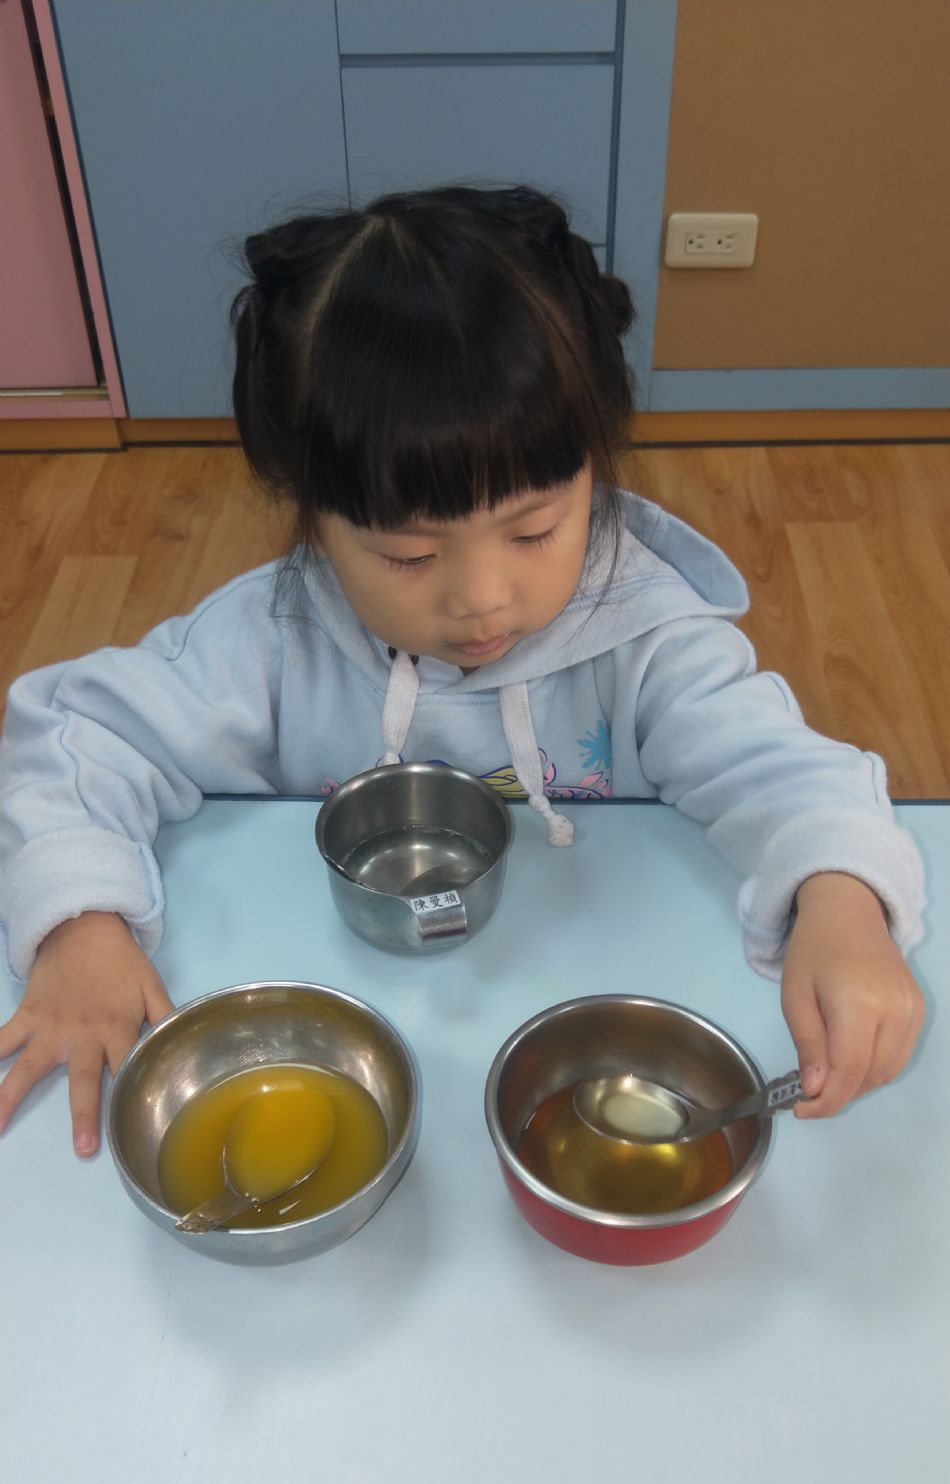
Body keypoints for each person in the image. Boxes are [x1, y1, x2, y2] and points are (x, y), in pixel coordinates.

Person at [0, 184, 926, 1157]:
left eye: (533, 530)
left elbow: (782, 770)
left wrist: (840, 896)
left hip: (582, 1015)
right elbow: (77, 736)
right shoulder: (272, 638)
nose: (482, 599)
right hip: (348, 1043)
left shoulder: (642, 634)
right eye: (408, 555)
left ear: (592, 471)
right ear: (311, 516)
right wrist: (78, 924)